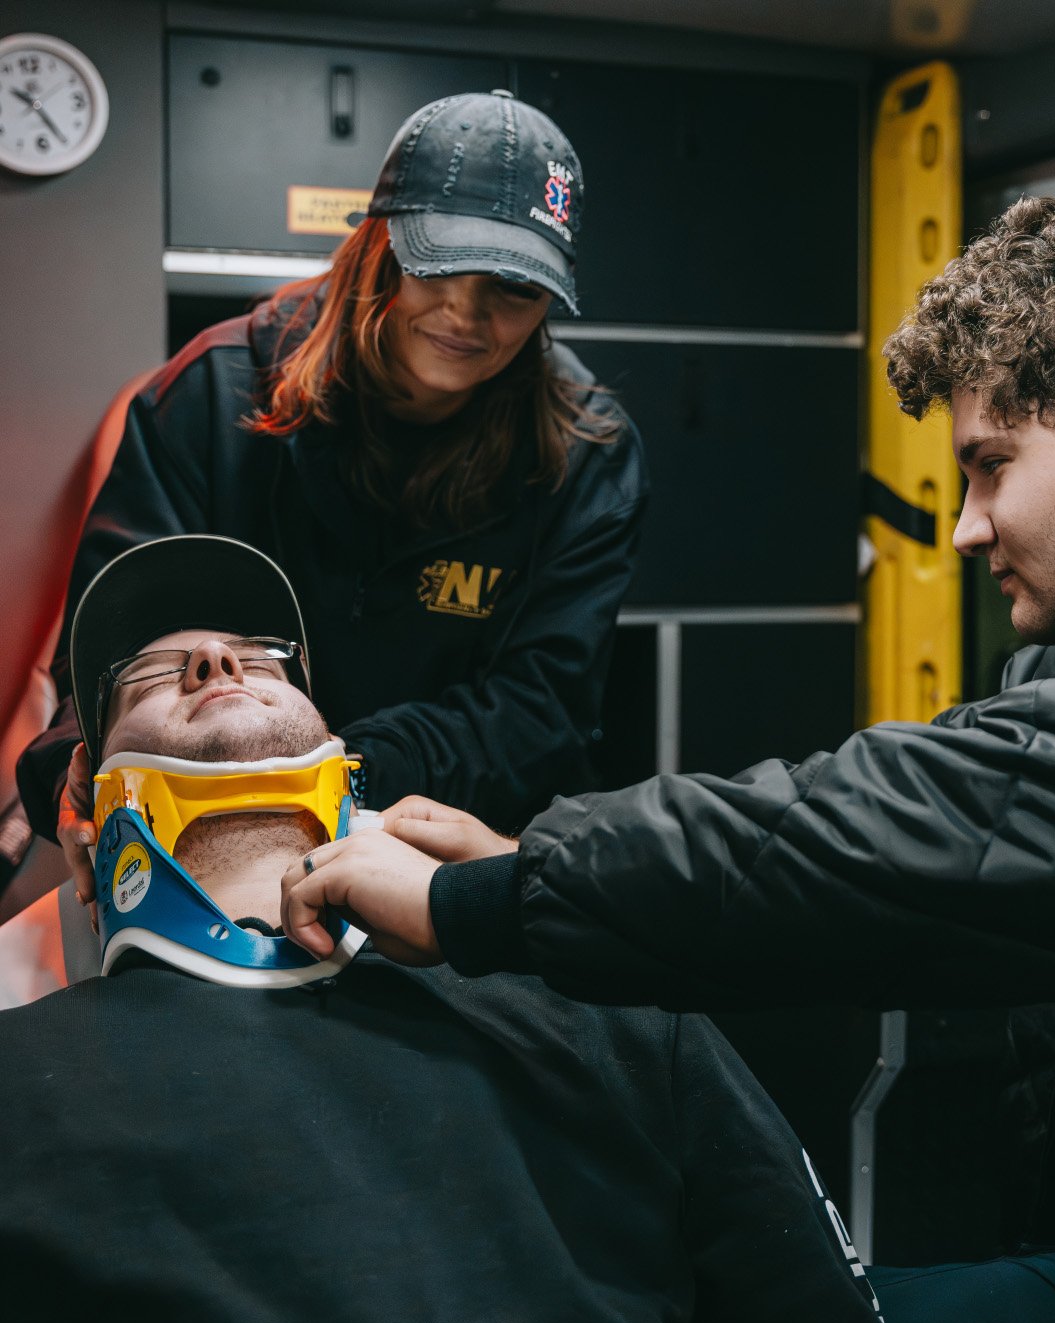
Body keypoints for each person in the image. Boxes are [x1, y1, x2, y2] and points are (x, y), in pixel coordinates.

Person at [279, 190, 1055, 1323]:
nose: (968, 526)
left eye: (990, 464)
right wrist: (528, 859)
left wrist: (489, 902)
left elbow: (911, 832)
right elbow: (890, 876)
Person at [0, 533, 881, 1323]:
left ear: (339, 751)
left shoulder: (599, 995)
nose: (218, 659)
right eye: (151, 671)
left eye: (267, 660)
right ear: (82, 818)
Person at [15, 89, 647, 910]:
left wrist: (337, 777)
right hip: (204, 844)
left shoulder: (586, 451)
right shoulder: (212, 396)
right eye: (438, 264)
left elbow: (540, 712)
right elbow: (110, 649)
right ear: (374, 243)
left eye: (511, 289)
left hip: (442, 864)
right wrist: (72, 771)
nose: (466, 311)